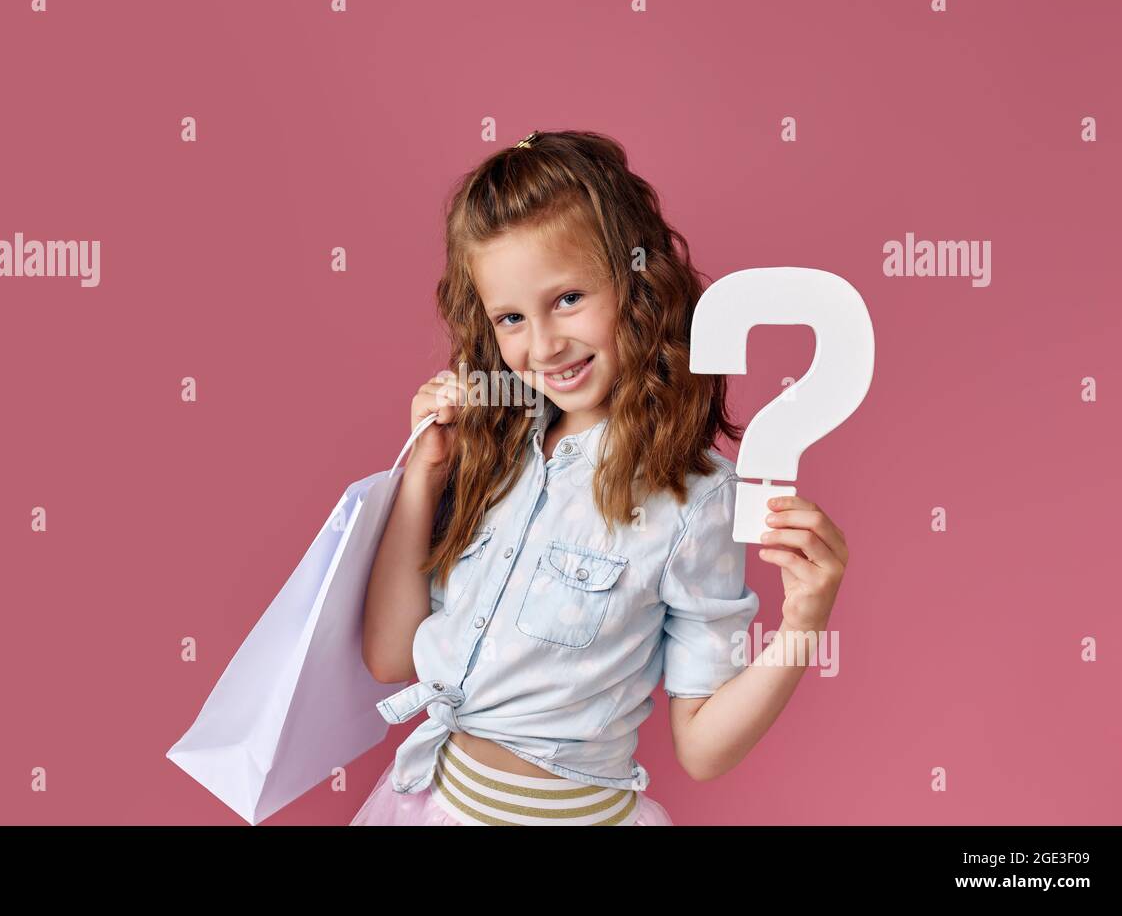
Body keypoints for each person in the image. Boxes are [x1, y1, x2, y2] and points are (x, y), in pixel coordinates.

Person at [352, 130, 850, 825]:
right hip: (427, 803)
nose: (544, 344)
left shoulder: (691, 498)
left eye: (568, 299)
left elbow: (703, 748)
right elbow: (387, 655)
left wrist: (803, 622)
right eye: (511, 318)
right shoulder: (493, 450)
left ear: (635, 281)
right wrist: (423, 477)